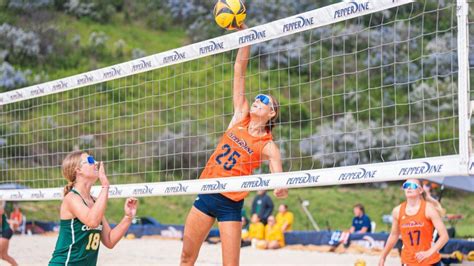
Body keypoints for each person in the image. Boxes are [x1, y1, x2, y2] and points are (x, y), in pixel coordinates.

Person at [180, 25, 288, 266]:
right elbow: (239, 69)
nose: (258, 101)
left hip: (231, 203)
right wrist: (245, 36)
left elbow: (277, 174)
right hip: (207, 193)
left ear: (271, 114)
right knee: (187, 257)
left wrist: (280, 187)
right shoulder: (240, 115)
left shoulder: (268, 145)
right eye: (258, 98)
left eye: (264, 102)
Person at [49, 151, 138, 266]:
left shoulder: (95, 201)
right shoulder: (72, 198)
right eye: (90, 160)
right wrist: (105, 185)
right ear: (78, 170)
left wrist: (128, 217)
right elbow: (92, 221)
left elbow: (109, 241)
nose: (96, 163)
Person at [379, 179, 449, 266]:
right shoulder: (397, 211)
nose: (409, 188)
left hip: (430, 261)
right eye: (406, 185)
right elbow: (394, 235)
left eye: (412, 186)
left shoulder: (428, 208)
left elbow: (444, 236)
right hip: (408, 261)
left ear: (420, 190)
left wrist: (429, 252)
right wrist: (383, 256)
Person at [0, 201, 18, 266]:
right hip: (6, 231)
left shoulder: (1, 209)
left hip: (5, 232)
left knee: (3, 255)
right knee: (4, 255)